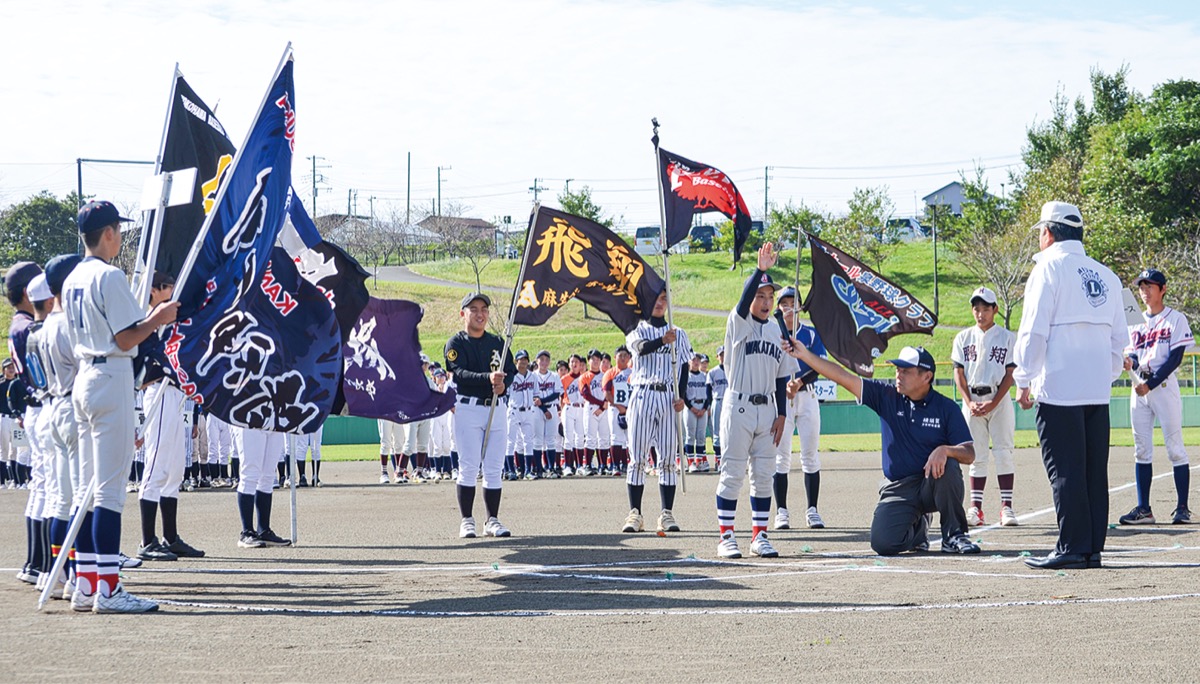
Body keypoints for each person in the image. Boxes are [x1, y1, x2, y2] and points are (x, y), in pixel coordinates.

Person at [60, 200, 180, 612]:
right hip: (110, 374)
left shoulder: (73, 277)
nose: (120, 238)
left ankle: (85, 583)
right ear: (108, 233)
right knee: (109, 493)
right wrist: (158, 317)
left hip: (85, 376)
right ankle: (108, 589)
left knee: (86, 490)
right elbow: (127, 337)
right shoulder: (108, 275)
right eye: (117, 230)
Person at [790, 339, 981, 556]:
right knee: (883, 544)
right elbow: (843, 377)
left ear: (926, 376)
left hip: (932, 483)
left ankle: (954, 534)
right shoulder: (886, 396)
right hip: (899, 487)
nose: (899, 375)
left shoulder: (946, 407)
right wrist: (805, 355)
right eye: (898, 369)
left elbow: (969, 453)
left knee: (950, 465)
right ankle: (918, 530)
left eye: (906, 371)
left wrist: (945, 450)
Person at [1014, 201, 1125, 570]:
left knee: (1065, 471)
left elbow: (1033, 331)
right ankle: (1091, 548)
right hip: (1097, 392)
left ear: (1048, 233)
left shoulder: (1047, 269)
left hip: (1058, 389)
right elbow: (1119, 341)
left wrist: (1024, 378)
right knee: (1094, 472)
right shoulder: (1108, 276)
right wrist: (1104, 375)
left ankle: (1071, 547)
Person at [712, 244, 793, 559]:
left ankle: (760, 536)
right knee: (732, 473)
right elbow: (743, 302)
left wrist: (782, 414)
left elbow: (782, 376)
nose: (766, 301)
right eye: (760, 295)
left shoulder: (777, 330)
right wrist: (760, 270)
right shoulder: (738, 321)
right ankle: (726, 537)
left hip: (768, 410)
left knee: (763, 476)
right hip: (739, 406)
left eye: (770, 296)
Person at [136, 271, 204, 561]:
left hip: (176, 394)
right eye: (168, 287)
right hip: (159, 393)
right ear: (154, 290)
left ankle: (170, 537)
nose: (173, 292)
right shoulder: (146, 322)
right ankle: (147, 540)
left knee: (175, 468)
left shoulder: (169, 322)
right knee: (156, 465)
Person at [1119, 268, 1195, 525]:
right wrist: (1130, 362)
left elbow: (1175, 359)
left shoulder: (1176, 319)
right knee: (1141, 450)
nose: (1144, 291)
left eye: (1149, 286)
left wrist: (1150, 384)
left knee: (1175, 448)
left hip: (1162, 387)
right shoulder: (1135, 321)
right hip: (1140, 388)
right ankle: (1144, 509)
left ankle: (1182, 508)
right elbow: (1134, 353)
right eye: (1142, 287)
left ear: (1163, 289)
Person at [444, 292, 516, 538]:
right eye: (473, 309)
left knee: (494, 467)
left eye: (484, 309)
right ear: (463, 314)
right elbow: (459, 373)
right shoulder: (456, 343)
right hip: (468, 407)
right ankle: (467, 520)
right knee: (469, 465)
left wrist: (504, 385)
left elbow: (510, 370)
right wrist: (488, 378)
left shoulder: (497, 343)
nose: (480, 314)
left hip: (496, 407)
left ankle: (492, 520)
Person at [623, 290, 692, 534]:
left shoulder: (679, 333)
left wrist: (681, 395)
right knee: (638, 458)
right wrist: (663, 340)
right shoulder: (636, 328)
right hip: (642, 393)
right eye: (656, 298)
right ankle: (635, 513)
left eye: (664, 298)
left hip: (667, 396)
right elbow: (640, 348)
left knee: (668, 459)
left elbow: (684, 366)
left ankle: (666, 514)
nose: (660, 303)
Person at [950, 286, 1018, 528]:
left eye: (985, 309)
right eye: (976, 308)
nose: (980, 313)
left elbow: (1010, 374)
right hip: (972, 400)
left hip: (998, 399)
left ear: (995, 310)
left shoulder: (1007, 337)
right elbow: (958, 373)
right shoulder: (963, 337)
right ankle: (976, 509)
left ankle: (1006, 507)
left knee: (1003, 452)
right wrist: (969, 402)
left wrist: (993, 402)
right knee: (975, 454)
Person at [773, 286, 827, 531]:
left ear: (800, 306)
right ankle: (781, 511)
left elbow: (820, 364)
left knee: (810, 454)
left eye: (792, 303)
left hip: (807, 395)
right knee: (781, 456)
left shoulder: (811, 334)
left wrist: (800, 382)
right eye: (783, 303)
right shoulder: (773, 333)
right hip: (781, 398)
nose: (788, 307)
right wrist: (784, 386)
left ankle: (812, 510)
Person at [505, 350, 537, 480]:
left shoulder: (532, 376)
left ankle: (528, 471)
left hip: (528, 410)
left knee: (528, 441)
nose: (523, 362)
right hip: (514, 410)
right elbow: (506, 394)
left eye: (525, 359)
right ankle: (510, 470)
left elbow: (536, 393)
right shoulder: (511, 376)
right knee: (511, 441)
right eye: (520, 359)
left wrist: (536, 400)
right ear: (516, 361)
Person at [578, 349, 610, 476]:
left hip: (603, 409)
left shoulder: (605, 375)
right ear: (588, 361)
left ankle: (603, 465)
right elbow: (586, 394)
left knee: (604, 438)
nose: (595, 361)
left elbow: (609, 392)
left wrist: (603, 406)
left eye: (598, 359)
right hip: (591, 408)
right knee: (590, 438)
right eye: (593, 359)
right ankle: (587, 465)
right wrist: (601, 404)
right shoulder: (584, 376)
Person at [530, 350, 561, 479]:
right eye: (541, 359)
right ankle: (538, 468)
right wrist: (543, 409)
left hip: (551, 408)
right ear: (536, 361)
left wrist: (542, 402)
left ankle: (551, 468)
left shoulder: (554, 376)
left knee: (551, 440)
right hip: (537, 410)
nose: (544, 362)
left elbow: (556, 393)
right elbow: (533, 395)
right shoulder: (532, 376)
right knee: (537, 440)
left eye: (546, 359)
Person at [603, 345, 632, 478]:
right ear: (615, 357)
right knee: (616, 437)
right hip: (615, 408)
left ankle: (627, 464)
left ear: (629, 357)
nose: (623, 358)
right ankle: (615, 465)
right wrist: (619, 407)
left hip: (630, 408)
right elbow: (607, 393)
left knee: (630, 438)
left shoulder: (633, 372)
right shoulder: (610, 373)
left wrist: (628, 408)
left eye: (625, 355)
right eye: (620, 355)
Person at [683, 353, 712, 473]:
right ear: (689, 361)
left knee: (701, 436)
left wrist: (704, 408)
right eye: (693, 359)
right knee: (690, 435)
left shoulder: (704, 376)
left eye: (698, 360)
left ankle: (700, 462)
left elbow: (709, 394)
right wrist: (692, 408)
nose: (696, 362)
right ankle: (691, 463)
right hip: (690, 406)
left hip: (702, 406)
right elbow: (683, 394)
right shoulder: (686, 376)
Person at [560, 354, 586, 476]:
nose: (574, 364)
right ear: (569, 364)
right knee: (568, 437)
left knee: (580, 437)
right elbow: (561, 396)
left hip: (581, 408)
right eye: (572, 362)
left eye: (577, 362)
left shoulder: (584, 377)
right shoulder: (564, 379)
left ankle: (580, 466)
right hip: (569, 407)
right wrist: (561, 410)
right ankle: (567, 466)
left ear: (580, 364)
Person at [706, 346, 728, 470]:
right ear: (717, 357)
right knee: (717, 432)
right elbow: (708, 391)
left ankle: (727, 460)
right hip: (718, 401)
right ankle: (718, 460)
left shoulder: (732, 370)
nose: (723, 357)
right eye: (721, 355)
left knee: (730, 432)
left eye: (725, 354)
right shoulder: (713, 372)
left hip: (729, 402)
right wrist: (709, 406)